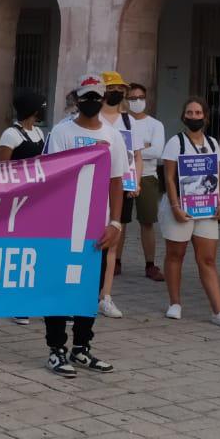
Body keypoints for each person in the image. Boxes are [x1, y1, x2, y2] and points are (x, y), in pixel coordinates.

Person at [41, 74, 125, 377]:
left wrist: (115, 221)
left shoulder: (113, 135)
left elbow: (117, 182)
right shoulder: (62, 132)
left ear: (103, 99)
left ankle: (82, 348)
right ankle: (56, 349)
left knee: (90, 288)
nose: (91, 101)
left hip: (97, 225)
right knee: (60, 285)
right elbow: (50, 175)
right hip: (64, 223)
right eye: (85, 96)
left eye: (96, 96)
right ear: (77, 99)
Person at [158, 98, 220, 327]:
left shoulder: (212, 143)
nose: (194, 116)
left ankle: (218, 311)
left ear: (206, 116)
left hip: (208, 209)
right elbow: (169, 178)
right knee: (176, 255)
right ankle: (175, 303)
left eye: (198, 112)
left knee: (208, 259)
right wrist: (175, 207)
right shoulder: (175, 142)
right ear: (184, 117)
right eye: (190, 112)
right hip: (181, 207)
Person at [0, 88, 46, 325]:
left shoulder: (39, 133)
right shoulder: (11, 135)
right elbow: (1, 167)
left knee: (33, 251)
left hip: (36, 199)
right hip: (16, 200)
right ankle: (16, 302)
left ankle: (30, 298)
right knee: (16, 250)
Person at [97, 71, 141, 318]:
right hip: (93, 187)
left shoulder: (128, 121)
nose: (119, 93)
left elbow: (135, 155)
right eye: (114, 88)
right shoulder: (93, 117)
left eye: (121, 89)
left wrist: (136, 182)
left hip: (119, 187)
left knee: (112, 243)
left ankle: (106, 296)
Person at [118, 82, 165, 283]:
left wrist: (135, 151)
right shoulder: (120, 122)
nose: (137, 102)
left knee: (147, 221)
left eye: (140, 97)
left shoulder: (155, 125)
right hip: (123, 175)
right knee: (120, 221)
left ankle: (150, 264)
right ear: (126, 100)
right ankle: (116, 261)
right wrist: (142, 148)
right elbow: (119, 150)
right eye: (132, 98)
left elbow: (158, 152)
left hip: (147, 177)